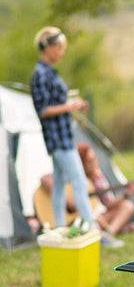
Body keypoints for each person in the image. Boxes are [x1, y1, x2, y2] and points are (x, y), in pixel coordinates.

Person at [30, 27, 94, 229]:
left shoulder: (49, 72)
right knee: (79, 182)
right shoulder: (40, 74)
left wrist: (73, 107)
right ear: (47, 47)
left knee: (58, 184)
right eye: (58, 47)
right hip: (58, 139)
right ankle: (92, 230)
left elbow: (56, 104)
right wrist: (68, 106)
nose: (61, 52)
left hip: (64, 135)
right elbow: (42, 109)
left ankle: (59, 228)